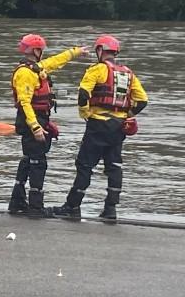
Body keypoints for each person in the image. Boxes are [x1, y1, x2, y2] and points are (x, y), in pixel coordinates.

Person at [53, 35, 148, 222]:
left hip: (98, 123)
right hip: (119, 127)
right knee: (114, 166)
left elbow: (83, 94)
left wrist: (84, 113)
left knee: (85, 165)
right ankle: (110, 209)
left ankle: (72, 206)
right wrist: (128, 115)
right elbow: (142, 100)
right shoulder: (128, 73)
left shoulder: (96, 69)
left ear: (99, 51)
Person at [9, 34, 85, 218]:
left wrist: (74, 52)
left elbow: (55, 62)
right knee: (38, 162)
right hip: (31, 120)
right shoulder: (25, 73)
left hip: (39, 118)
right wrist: (35, 127)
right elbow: (25, 102)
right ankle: (36, 207)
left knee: (29, 160)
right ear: (36, 51)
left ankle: (17, 202)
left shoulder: (35, 68)